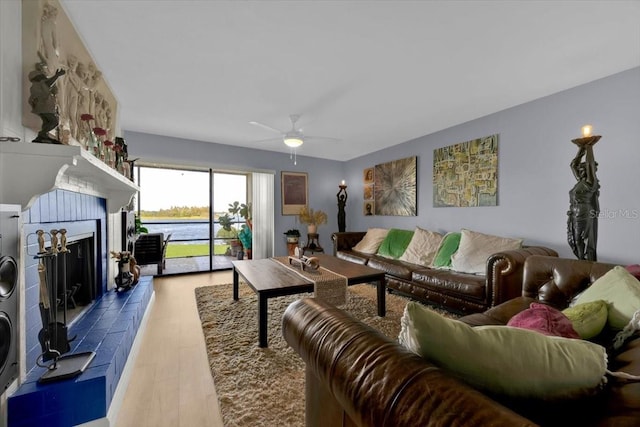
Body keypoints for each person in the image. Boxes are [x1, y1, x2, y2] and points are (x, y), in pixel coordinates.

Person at [567, 143, 599, 261]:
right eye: (579, 169)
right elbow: (572, 165)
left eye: (582, 169)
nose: (579, 171)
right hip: (574, 214)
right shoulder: (580, 182)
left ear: (587, 171)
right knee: (575, 240)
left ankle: (585, 262)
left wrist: (590, 147)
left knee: (581, 238)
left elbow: (590, 164)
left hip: (584, 213)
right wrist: (581, 148)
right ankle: (581, 262)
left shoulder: (590, 182)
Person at [28, 61, 66, 143]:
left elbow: (49, 87)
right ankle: (42, 134)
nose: (45, 70)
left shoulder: (41, 79)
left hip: (45, 103)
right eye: (44, 68)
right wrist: (57, 76)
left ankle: (43, 136)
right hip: (42, 103)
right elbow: (47, 84)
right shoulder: (37, 76)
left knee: (47, 121)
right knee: (54, 121)